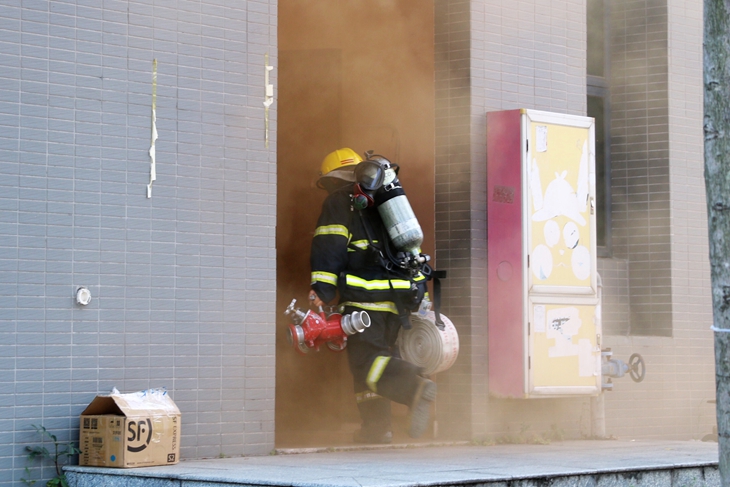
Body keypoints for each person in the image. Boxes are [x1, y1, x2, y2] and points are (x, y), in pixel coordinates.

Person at [308, 147, 437, 444]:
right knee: (379, 362)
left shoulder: (339, 201)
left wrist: (322, 290)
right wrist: (422, 296)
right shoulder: (385, 202)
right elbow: (410, 250)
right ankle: (376, 429)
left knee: (367, 362)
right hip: (400, 300)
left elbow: (329, 246)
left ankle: (414, 387)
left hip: (365, 298)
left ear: (332, 179)